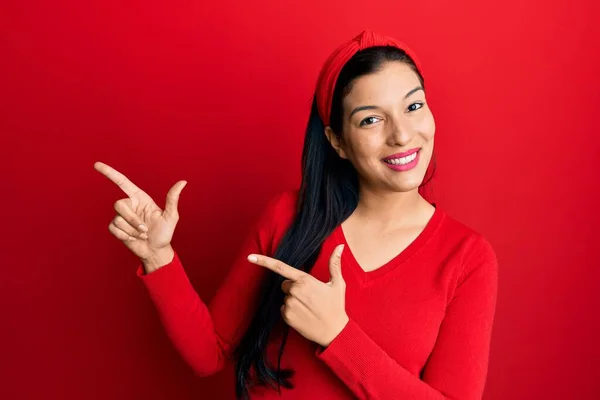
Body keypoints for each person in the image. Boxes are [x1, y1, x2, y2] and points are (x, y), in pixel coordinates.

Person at [94, 29, 498, 400]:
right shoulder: (288, 216)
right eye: (371, 119)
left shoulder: (467, 257)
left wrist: (337, 335)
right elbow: (208, 354)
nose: (402, 134)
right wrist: (157, 257)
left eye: (413, 106)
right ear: (336, 141)